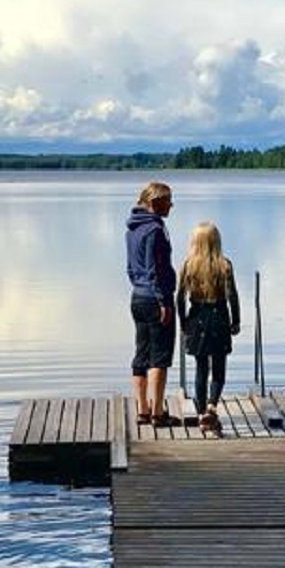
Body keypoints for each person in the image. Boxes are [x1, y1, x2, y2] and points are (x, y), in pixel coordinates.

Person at [176, 220, 241, 436]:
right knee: (219, 368)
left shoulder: (188, 265)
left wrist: (183, 322)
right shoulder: (225, 265)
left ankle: (202, 410)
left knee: (201, 368)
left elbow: (179, 298)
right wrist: (236, 321)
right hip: (220, 317)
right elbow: (233, 296)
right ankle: (213, 405)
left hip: (197, 318)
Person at [125, 181, 178, 426]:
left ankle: (142, 410)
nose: (171, 205)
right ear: (155, 202)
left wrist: (140, 287)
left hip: (137, 296)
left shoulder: (132, 229)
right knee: (160, 357)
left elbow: (131, 267)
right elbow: (155, 267)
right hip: (156, 299)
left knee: (141, 354)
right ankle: (157, 413)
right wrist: (163, 300)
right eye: (168, 201)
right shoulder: (156, 229)